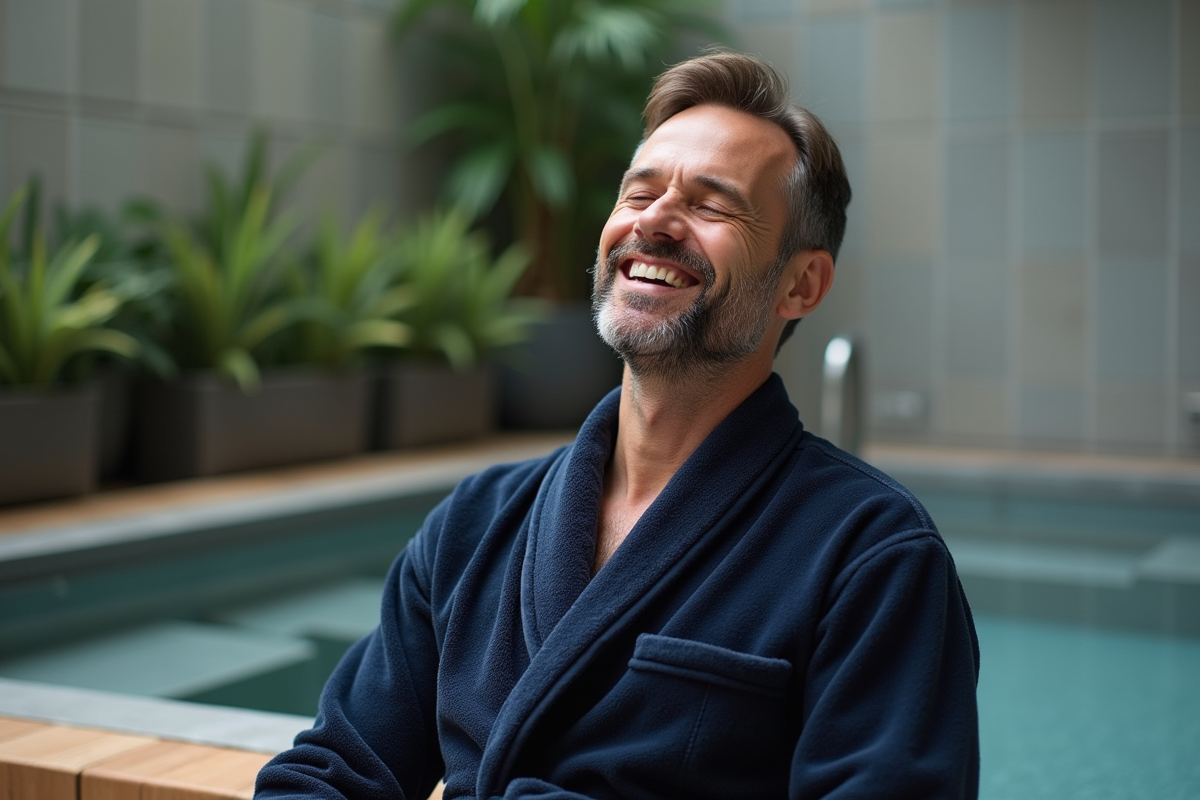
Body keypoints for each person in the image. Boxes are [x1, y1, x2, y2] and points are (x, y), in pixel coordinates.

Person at [255, 51, 980, 800]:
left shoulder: (872, 556)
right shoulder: (476, 522)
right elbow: (338, 768)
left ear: (800, 284)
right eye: (638, 193)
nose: (655, 221)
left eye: (711, 204)